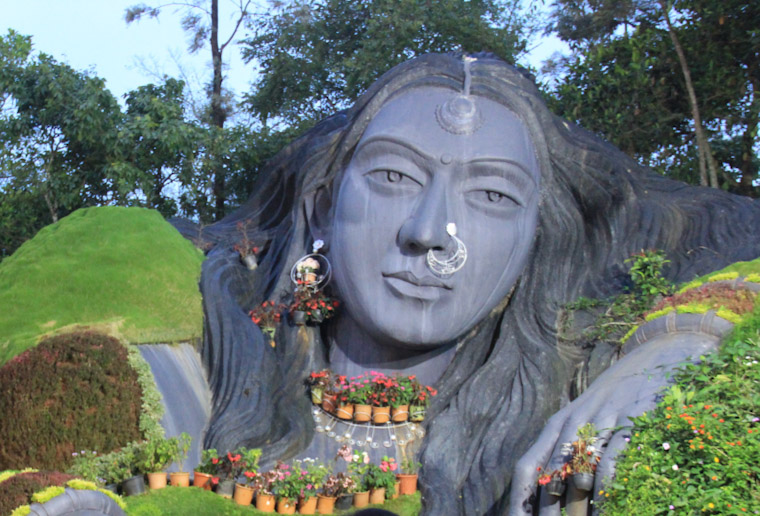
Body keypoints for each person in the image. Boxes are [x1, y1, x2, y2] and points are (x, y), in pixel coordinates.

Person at [183, 53, 760, 515]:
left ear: (537, 238)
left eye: (492, 195)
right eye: (393, 176)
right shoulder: (214, 337)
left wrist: (678, 342)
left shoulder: (572, 386)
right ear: (326, 205)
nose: (428, 232)